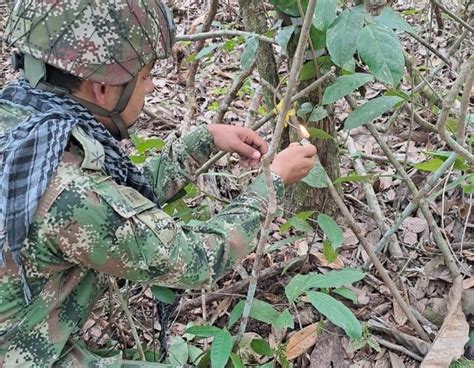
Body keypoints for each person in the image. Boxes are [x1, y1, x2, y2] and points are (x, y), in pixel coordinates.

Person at [0, 0, 317, 366]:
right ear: (103, 87)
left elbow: (119, 202)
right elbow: (197, 258)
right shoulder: (68, 190)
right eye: (146, 74)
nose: (151, 86)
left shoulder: (25, 121)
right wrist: (272, 182)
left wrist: (203, 141)